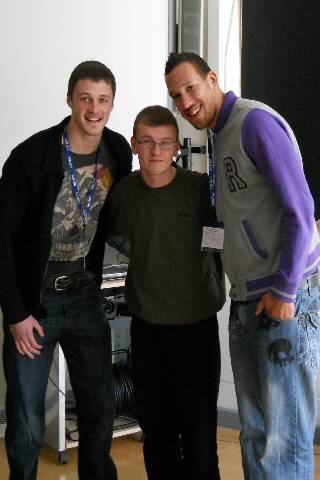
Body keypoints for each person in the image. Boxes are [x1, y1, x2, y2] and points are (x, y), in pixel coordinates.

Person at [165, 51, 320, 480]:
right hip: (246, 300)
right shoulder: (220, 134)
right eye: (177, 96)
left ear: (212, 79)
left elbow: (301, 209)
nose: (185, 102)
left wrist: (286, 291)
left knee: (284, 439)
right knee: (254, 432)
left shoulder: (255, 123)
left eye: (191, 88)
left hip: (284, 301)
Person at [0, 60, 132, 480]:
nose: (94, 109)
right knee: (25, 415)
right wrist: (16, 315)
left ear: (112, 104)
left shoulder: (117, 150)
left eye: (103, 100)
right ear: (70, 100)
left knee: (98, 403)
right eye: (86, 99)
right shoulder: (29, 157)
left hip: (85, 294)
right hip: (34, 302)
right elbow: (0, 241)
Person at [107, 105, 225, 480]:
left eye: (164, 143)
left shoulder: (199, 190)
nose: (156, 151)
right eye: (147, 142)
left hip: (197, 329)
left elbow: (222, 241)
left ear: (176, 147)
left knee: (199, 438)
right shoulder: (123, 194)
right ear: (134, 145)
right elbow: (110, 245)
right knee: (157, 434)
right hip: (148, 329)